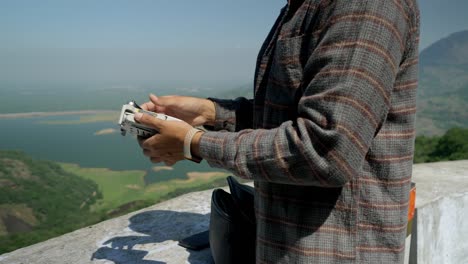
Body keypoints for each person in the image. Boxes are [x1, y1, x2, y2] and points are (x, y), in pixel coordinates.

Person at [134, 0, 420, 263]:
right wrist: (211, 113)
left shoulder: (365, 5)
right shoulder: (300, 6)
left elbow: (326, 149)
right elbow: (287, 117)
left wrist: (193, 143)